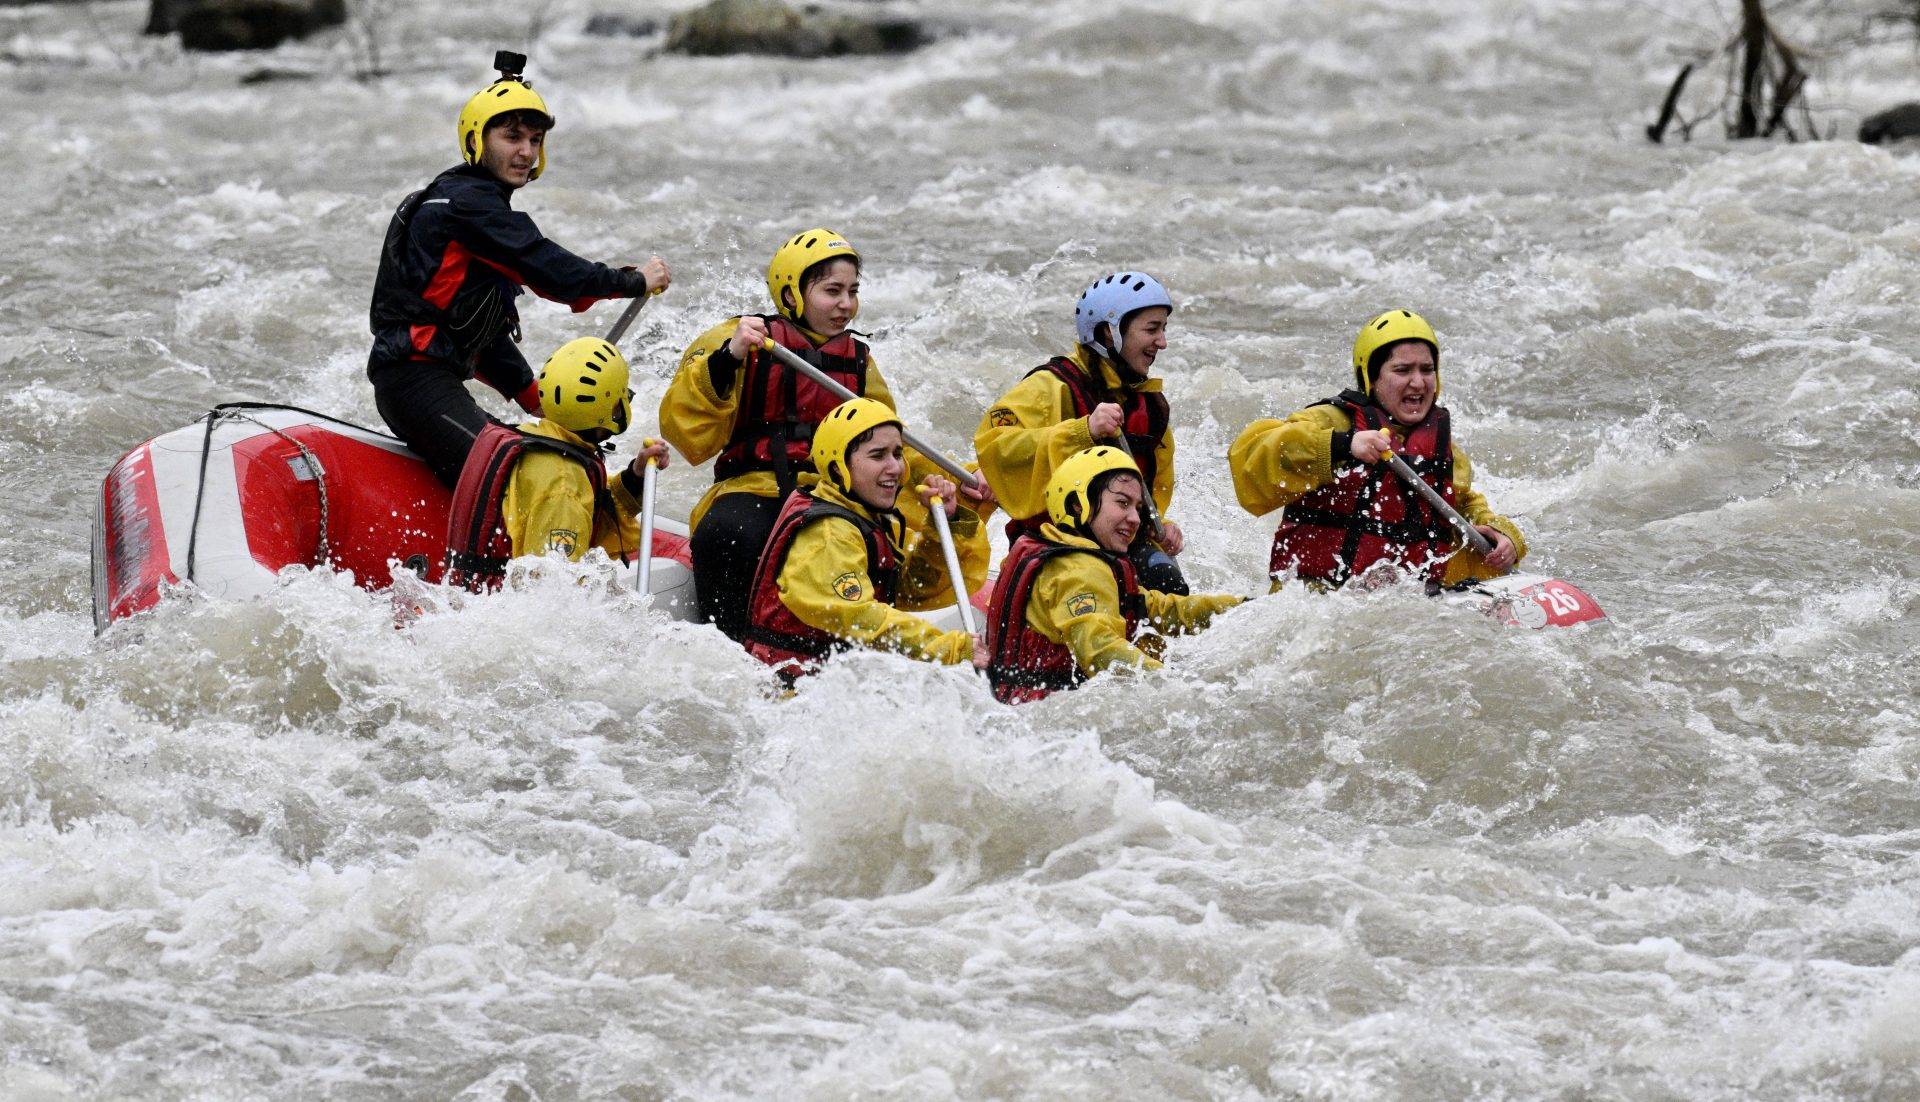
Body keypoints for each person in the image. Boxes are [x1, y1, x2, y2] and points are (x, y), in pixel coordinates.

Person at [661, 228, 988, 640]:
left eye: (852, 291)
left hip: (832, 495)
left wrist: (962, 480)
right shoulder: (740, 338)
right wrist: (730, 359)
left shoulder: (859, 362)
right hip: (753, 490)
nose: (846, 304)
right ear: (792, 293)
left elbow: (889, 445)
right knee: (728, 533)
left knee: (868, 542)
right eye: (832, 291)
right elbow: (687, 433)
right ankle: (733, 643)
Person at [368, 50, 670, 487]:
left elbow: (472, 328)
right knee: (519, 475)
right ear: (478, 139)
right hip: (415, 385)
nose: (526, 152)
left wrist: (534, 399)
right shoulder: (469, 207)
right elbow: (555, 275)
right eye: (511, 138)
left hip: (421, 382)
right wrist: (633, 280)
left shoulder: (467, 199)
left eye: (534, 140)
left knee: (543, 455)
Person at [1228, 309, 1526, 591]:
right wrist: (1342, 445)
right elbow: (1250, 455)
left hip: (1403, 611)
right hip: (1315, 601)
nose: (1418, 382)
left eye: (1427, 369)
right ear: (1371, 377)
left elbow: (1465, 508)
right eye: (1402, 370)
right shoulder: (1331, 422)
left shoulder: (1446, 453)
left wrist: (1502, 534)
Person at [974, 271, 1187, 594]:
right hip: (1054, 546)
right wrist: (1082, 431)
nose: (1162, 342)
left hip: (1119, 548)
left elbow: (1150, 494)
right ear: (1107, 333)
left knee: (1165, 580)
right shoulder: (1050, 386)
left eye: (1163, 329)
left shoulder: (1152, 406)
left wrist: (1161, 527)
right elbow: (995, 449)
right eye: (1151, 329)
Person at [744, 398, 987, 681]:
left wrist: (943, 523)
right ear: (838, 468)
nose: (895, 467)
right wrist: (949, 649)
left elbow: (909, 592)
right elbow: (861, 619)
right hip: (793, 690)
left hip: (837, 685)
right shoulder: (828, 534)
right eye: (878, 455)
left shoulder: (861, 515)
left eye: (897, 454)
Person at [983, 447, 1242, 704]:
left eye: (1137, 507)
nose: (1135, 519)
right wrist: (1174, 687)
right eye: (1122, 503)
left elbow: (1161, 608)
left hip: (1023, 698)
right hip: (1042, 711)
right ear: (1077, 504)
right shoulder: (1078, 571)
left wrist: (1240, 608)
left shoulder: (1070, 555)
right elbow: (1099, 648)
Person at [444, 337, 669, 589]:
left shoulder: (537, 441)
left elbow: (591, 511)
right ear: (612, 408)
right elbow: (553, 592)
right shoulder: (563, 486)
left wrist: (635, 476)